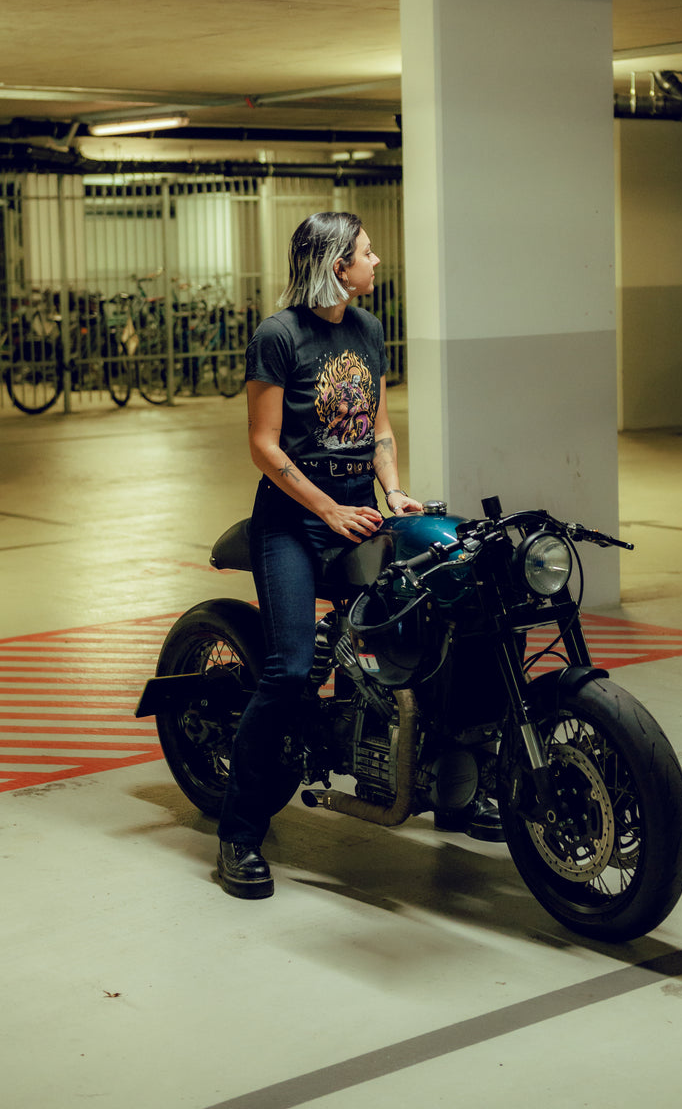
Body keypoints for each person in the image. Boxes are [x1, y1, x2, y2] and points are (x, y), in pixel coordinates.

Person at [216, 211, 422, 898]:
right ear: (338, 265)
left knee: (418, 627)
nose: (377, 258)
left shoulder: (365, 329)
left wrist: (392, 491)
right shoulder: (278, 336)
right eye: (366, 251)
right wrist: (328, 508)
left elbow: (380, 427)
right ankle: (239, 833)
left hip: (357, 514)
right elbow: (264, 445)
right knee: (288, 669)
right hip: (291, 522)